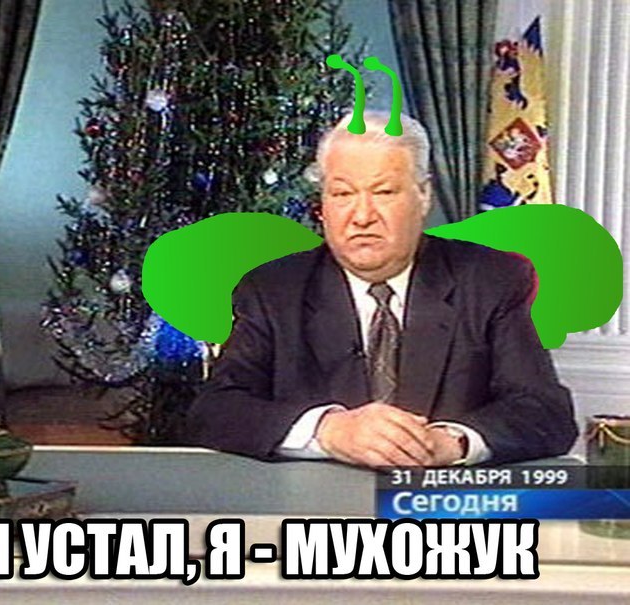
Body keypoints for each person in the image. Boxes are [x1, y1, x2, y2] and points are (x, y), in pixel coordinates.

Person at [185, 110, 578, 467]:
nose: (361, 216)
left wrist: (452, 442)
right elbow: (216, 411)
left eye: (384, 192)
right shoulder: (272, 291)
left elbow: (545, 413)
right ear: (323, 205)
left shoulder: (491, 280)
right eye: (342, 194)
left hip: (444, 510)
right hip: (313, 512)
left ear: (423, 196)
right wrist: (329, 430)